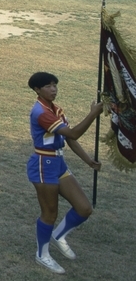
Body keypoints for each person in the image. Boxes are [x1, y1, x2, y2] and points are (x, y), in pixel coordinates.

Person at [27, 72, 103, 274]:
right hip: (43, 165)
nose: (53, 89)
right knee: (49, 214)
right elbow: (73, 133)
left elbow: (69, 139)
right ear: (37, 90)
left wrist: (88, 161)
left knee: (84, 208)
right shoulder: (41, 112)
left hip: (58, 163)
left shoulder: (55, 109)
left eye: (55, 85)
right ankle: (42, 255)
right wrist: (93, 114)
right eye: (48, 86)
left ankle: (58, 235)